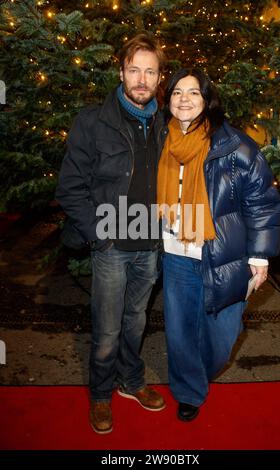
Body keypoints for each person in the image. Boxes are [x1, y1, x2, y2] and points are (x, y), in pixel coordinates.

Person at [56, 33, 168, 434]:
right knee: (107, 328)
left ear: (159, 77)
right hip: (111, 246)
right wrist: (100, 237)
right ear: (121, 71)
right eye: (134, 69)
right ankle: (101, 393)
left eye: (150, 71)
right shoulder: (93, 121)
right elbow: (69, 188)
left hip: (149, 245)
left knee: (136, 321)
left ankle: (130, 380)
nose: (141, 78)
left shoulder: (167, 122)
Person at [157, 68, 280, 422]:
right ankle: (189, 390)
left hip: (226, 256)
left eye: (193, 92)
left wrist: (260, 255)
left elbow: (263, 201)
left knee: (222, 335)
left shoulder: (235, 146)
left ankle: (203, 370)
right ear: (168, 100)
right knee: (180, 330)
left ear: (207, 99)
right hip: (176, 254)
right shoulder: (161, 141)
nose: (184, 99)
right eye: (177, 92)